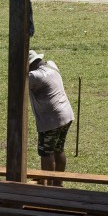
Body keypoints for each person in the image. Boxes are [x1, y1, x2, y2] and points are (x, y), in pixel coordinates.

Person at [28, 49, 75, 185]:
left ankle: (48, 187)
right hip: (66, 114)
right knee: (58, 149)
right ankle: (58, 184)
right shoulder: (52, 65)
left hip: (51, 120)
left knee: (46, 152)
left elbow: (18, 84)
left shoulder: (34, 76)